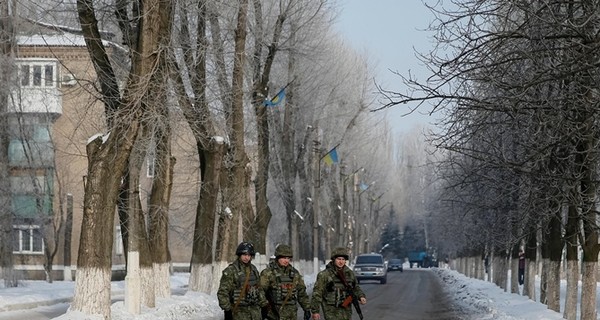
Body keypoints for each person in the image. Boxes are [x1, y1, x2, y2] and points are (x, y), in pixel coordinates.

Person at [309, 247, 366, 320]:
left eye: (343, 259)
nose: (341, 262)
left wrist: (361, 296)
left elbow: (356, 287)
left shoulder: (349, 274)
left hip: (346, 310)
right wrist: (315, 311)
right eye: (339, 259)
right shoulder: (324, 275)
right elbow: (317, 294)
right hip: (331, 311)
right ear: (333, 259)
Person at [217, 241, 269, 320]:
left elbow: (259, 288)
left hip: (255, 313)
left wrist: (264, 304)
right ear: (239, 255)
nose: (246, 258)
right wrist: (227, 310)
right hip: (238, 313)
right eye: (244, 255)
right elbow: (223, 292)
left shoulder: (253, 269)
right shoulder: (231, 271)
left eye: (249, 255)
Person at [260, 244, 311, 320]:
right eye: (284, 258)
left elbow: (301, 292)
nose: (286, 260)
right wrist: (264, 306)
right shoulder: (268, 273)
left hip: (291, 314)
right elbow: (260, 290)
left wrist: (306, 308)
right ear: (278, 257)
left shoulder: (294, 274)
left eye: (288, 258)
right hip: (274, 314)